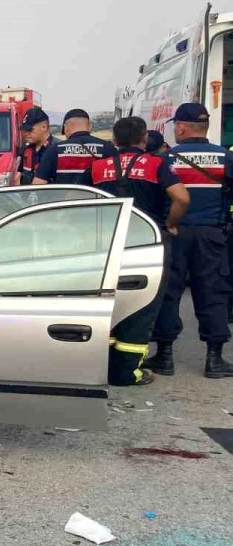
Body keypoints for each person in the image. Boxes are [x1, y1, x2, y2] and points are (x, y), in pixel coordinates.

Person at [90, 116, 190, 386]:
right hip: (148, 243)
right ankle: (126, 372)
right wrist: (170, 224)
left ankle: (102, 365)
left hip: (108, 244)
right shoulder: (157, 163)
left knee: (108, 302)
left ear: (114, 140)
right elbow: (182, 197)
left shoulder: (99, 166)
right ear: (144, 138)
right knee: (143, 305)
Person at [145, 103, 233, 379]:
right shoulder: (225, 158)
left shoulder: (166, 159)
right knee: (213, 292)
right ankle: (214, 359)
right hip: (212, 234)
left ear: (180, 127)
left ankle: (165, 355)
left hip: (175, 233)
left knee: (169, 292)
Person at [33, 108, 114, 185]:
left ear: (66, 127)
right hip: (98, 199)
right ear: (90, 127)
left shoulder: (55, 150)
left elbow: (38, 184)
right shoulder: (108, 148)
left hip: (65, 199)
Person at [16, 108, 54, 185]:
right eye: (24, 130)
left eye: (30, 130)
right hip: (27, 195)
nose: (26, 133)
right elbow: (19, 176)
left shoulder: (57, 149)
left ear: (44, 127)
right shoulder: (26, 150)